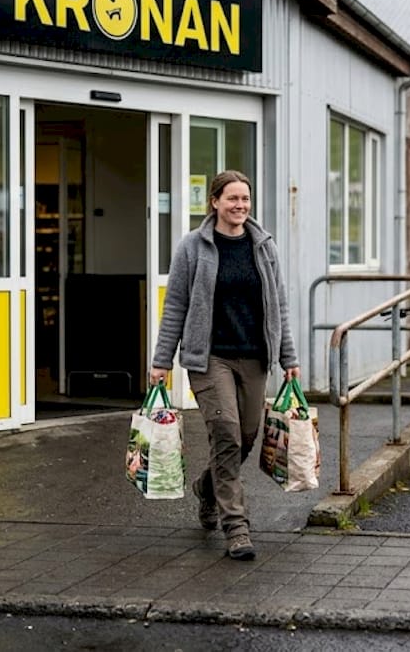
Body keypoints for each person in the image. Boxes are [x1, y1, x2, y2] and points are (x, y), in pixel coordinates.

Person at [148, 170, 300, 561]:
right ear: (214, 201)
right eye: (232, 198)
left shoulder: (263, 246)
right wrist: (161, 361)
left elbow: (278, 306)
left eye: (245, 199)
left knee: (247, 436)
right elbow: (175, 307)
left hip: (254, 357)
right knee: (227, 433)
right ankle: (237, 528)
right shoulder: (192, 248)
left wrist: (289, 357)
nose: (240, 206)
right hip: (209, 358)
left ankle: (206, 486)